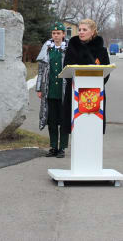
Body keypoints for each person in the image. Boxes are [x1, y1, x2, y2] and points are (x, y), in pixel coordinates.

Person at [62, 19, 110, 137]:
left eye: (84, 30)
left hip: (95, 94)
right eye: (79, 30)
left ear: (93, 32)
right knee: (78, 130)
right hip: (75, 93)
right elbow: (66, 69)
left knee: (93, 129)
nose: (81, 32)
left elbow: (106, 73)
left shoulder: (102, 51)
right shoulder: (71, 48)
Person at [36, 22, 69, 158]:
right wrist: (39, 88)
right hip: (50, 90)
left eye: (58, 33)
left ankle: (62, 148)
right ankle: (53, 146)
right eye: (54, 33)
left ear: (63, 35)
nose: (56, 36)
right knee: (52, 120)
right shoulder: (47, 49)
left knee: (63, 120)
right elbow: (41, 70)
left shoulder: (68, 49)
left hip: (63, 90)